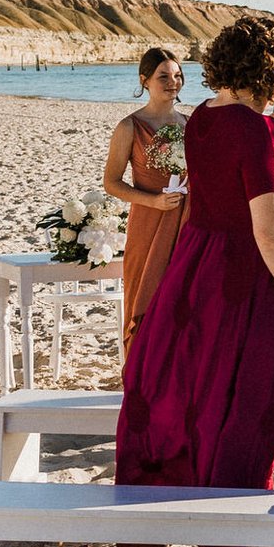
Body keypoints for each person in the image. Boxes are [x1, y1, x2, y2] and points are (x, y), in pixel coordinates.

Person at [115, 16, 274, 547]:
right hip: (246, 285)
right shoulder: (254, 132)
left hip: (196, 275)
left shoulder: (202, 117)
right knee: (246, 411)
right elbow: (272, 230)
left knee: (216, 406)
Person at [101, 47, 189, 358]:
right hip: (148, 221)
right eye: (163, 76)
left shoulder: (190, 125)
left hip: (187, 222)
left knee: (184, 301)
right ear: (145, 80)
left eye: (177, 76)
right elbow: (111, 182)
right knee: (145, 296)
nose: (172, 82)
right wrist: (153, 202)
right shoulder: (129, 127)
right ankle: (140, 372)